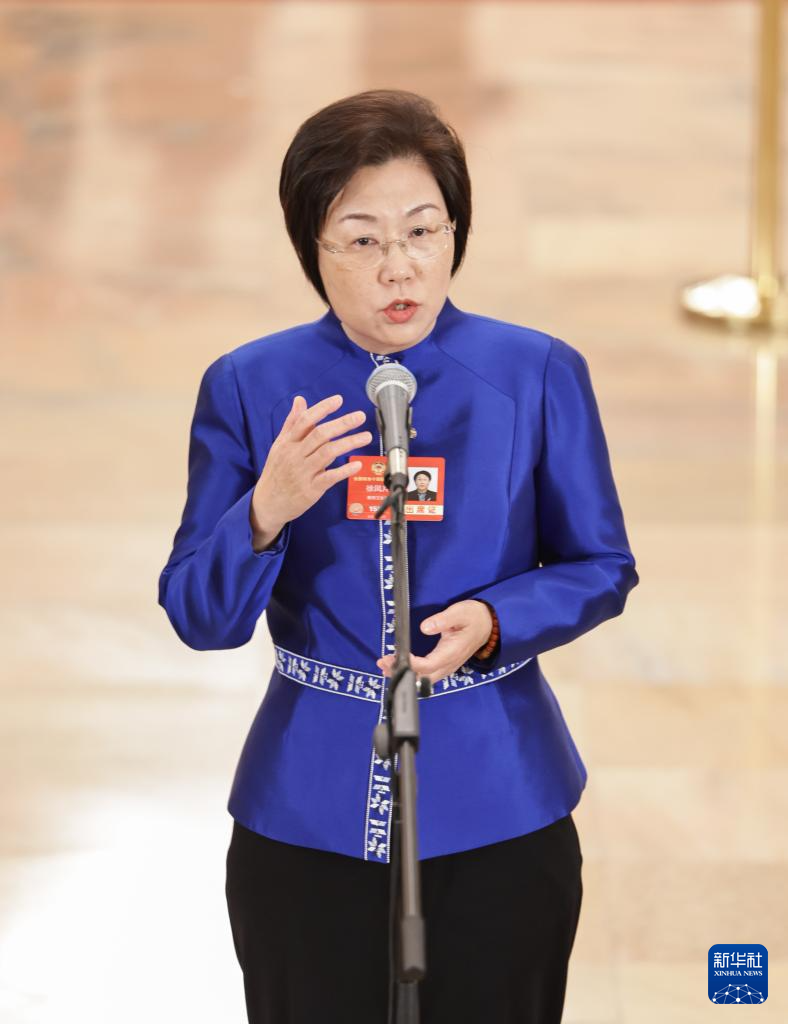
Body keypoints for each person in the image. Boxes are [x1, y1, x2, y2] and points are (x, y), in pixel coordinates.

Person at [158, 88, 639, 1024]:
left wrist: (496, 619)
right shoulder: (250, 385)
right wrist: (264, 511)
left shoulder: (538, 372)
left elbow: (601, 564)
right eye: (362, 239)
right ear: (312, 248)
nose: (399, 267)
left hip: (501, 794)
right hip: (307, 806)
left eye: (423, 231)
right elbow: (199, 617)